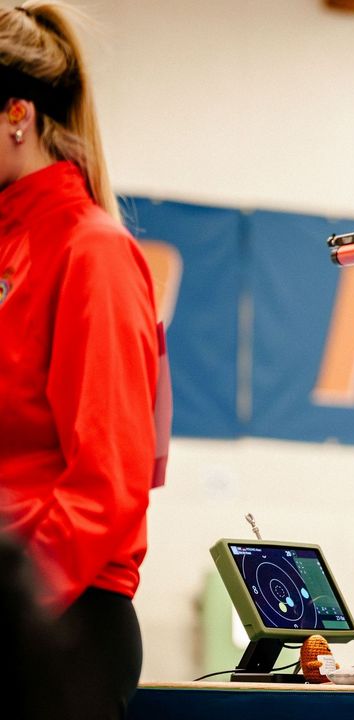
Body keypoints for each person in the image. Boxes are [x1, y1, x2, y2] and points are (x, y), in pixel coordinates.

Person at [0, 2, 167, 717]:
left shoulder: (90, 251)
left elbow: (108, 483)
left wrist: (15, 601)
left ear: (17, 114)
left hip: (55, 624)